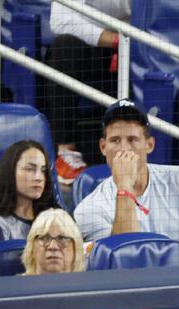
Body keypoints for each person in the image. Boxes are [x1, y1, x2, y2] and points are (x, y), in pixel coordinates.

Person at [74, 100, 179, 264]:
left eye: (133, 139)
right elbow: (124, 263)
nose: (124, 149)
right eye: (115, 141)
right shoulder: (88, 210)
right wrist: (125, 188)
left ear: (149, 145)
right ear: (103, 147)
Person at [46, 0, 132, 180]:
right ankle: (65, 152)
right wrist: (117, 40)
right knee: (65, 46)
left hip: (135, 43)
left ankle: (136, 148)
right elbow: (61, 21)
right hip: (92, 43)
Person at [0, 140, 58, 241]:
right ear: (10, 172)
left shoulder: (55, 217)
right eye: (30, 169)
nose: (39, 178)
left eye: (43, 170)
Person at [22, 208, 87, 275]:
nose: (53, 246)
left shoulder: (90, 285)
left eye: (62, 238)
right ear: (31, 248)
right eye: (44, 238)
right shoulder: (17, 285)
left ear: (76, 248)